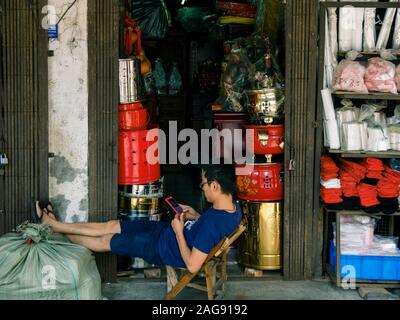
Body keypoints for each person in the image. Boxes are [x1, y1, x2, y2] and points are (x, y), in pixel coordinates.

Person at [36, 165, 242, 274]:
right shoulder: (233, 210)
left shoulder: (213, 225)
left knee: (106, 240)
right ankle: (55, 225)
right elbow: (207, 227)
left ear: (215, 186)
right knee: (111, 225)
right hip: (163, 231)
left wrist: (179, 231)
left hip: (161, 247)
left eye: (204, 184)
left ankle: (55, 227)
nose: (202, 188)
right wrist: (195, 216)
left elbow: (192, 266)